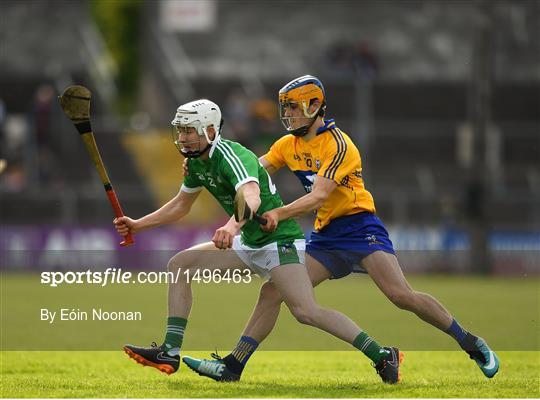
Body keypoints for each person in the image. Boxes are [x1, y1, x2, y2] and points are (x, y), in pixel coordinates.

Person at [183, 76, 499, 382]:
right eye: (286, 107)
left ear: (313, 106)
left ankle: (471, 342)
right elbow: (247, 168)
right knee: (273, 291)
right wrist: (206, 160)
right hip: (326, 236)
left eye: (293, 107)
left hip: (360, 230)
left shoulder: (339, 145)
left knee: (401, 295)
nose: (287, 114)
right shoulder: (286, 145)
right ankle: (233, 365)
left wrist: (277, 213)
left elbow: (318, 196)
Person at [114, 99, 402, 383]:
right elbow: (181, 205)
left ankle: (381, 354)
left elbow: (250, 196)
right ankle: (170, 351)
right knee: (180, 265)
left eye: (190, 130)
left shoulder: (232, 156)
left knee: (306, 312)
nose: (183, 138)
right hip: (251, 242)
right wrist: (138, 225)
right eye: (181, 130)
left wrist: (231, 225)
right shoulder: (197, 163)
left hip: (279, 241)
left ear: (211, 131)